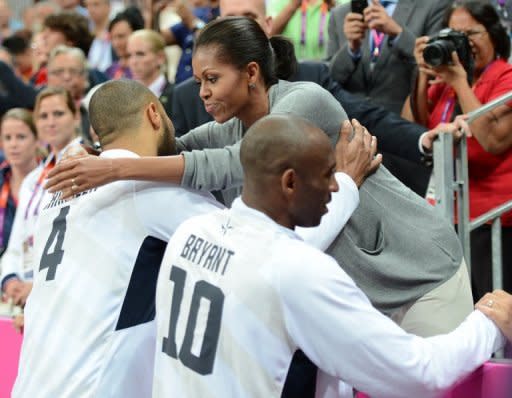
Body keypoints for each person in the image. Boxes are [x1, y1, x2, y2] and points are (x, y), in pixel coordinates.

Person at [46, 17, 471, 341]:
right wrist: (101, 153)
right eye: (198, 82)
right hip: (365, 290)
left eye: (213, 79)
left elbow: (234, 164)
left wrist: (114, 168)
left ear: (251, 73)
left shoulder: (304, 100)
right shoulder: (231, 125)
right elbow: (174, 151)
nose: (203, 93)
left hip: (420, 273)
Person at [12, 78, 374, 397]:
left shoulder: (59, 191)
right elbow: (264, 252)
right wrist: (342, 185)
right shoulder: (146, 190)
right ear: (155, 114)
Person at [153, 113, 510, 398]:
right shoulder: (299, 273)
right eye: (328, 175)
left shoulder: (193, 232)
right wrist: (490, 323)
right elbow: (421, 374)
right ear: (290, 183)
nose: (337, 186)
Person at [168, 0, 450, 195]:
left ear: (267, 25)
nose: (237, 30)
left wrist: (422, 139)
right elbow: (176, 160)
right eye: (228, 21)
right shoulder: (186, 96)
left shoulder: (308, 79)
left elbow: (362, 117)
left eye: (248, 19)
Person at [407, 1, 512, 300]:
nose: (463, 43)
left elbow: (493, 140)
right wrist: (423, 76)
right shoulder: (447, 79)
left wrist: (459, 82)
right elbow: (412, 124)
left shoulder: (505, 75)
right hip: (448, 215)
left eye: (472, 33)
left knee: (494, 310)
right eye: (455, 33)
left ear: (494, 34)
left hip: (493, 222)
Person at [0, 87, 81, 308]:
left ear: (75, 117)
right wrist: (10, 280)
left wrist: (37, 286)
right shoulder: (32, 181)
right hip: (27, 296)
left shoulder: (86, 167)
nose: (50, 122)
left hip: (62, 295)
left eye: (58, 113)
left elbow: (76, 244)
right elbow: (16, 244)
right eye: (43, 116)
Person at [327, 0, 452, 114]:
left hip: (401, 121)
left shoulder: (433, 6)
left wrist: (398, 33)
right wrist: (351, 49)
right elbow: (329, 78)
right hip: (349, 121)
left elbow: (437, 68)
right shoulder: (340, 14)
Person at [0, 109, 38, 260]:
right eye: (8, 138)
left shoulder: (51, 180)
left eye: (21, 137)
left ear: (36, 139)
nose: (13, 144)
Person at [268, 0, 337, 61]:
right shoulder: (280, 2)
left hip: (327, 69)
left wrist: (336, 7)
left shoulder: (337, 2)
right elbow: (269, 36)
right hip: (291, 70)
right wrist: (293, 5)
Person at [127, 29, 174, 117]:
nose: (133, 61)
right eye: (129, 55)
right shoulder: (125, 98)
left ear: (160, 57)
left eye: (140, 54)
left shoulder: (176, 95)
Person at [106, 6, 145, 80]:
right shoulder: (110, 71)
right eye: (112, 38)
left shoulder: (144, 71)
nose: (116, 43)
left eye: (121, 36)